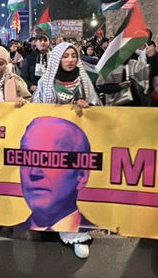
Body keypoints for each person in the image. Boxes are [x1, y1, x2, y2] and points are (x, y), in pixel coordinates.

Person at [31, 42, 100, 259]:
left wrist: (87, 106)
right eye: (65, 56)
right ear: (57, 59)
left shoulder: (83, 79)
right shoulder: (46, 81)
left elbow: (97, 105)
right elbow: (37, 107)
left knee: (72, 186)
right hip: (51, 142)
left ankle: (74, 233)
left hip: (77, 144)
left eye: (73, 55)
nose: (70, 60)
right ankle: (55, 225)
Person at [17, 117, 96, 231]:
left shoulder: (104, 243)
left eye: (51, 159)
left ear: (82, 175)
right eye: (27, 157)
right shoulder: (3, 237)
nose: (34, 172)